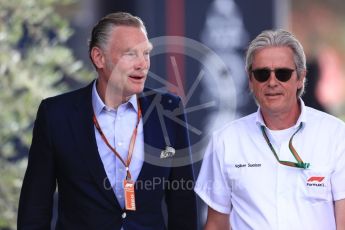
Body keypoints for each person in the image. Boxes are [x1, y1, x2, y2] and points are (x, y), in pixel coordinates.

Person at [18, 12, 198, 230]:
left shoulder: (170, 109)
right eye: (130, 54)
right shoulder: (56, 114)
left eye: (146, 53)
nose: (142, 64)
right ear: (99, 57)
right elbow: (34, 208)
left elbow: (183, 207)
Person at [194, 29, 345, 229]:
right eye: (262, 74)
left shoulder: (336, 135)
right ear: (250, 80)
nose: (272, 82)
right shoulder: (225, 140)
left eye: (282, 73)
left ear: (300, 77)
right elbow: (215, 225)